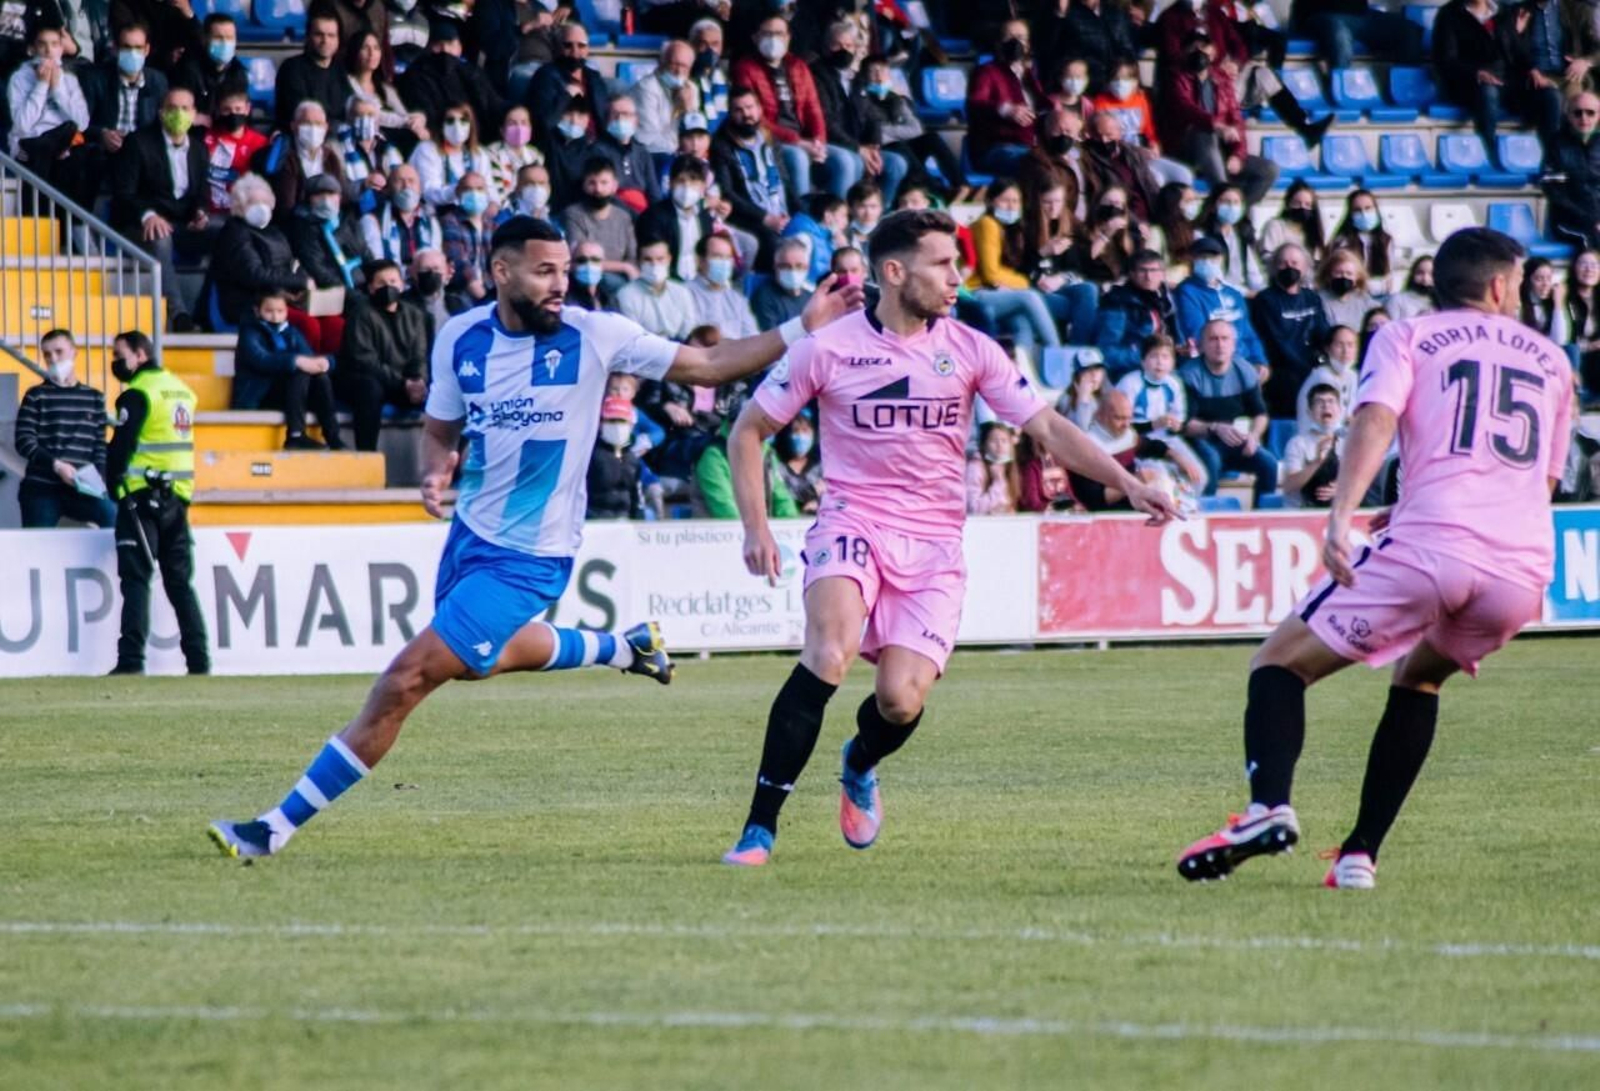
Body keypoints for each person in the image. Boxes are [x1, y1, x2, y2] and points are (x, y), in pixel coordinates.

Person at [206, 215, 866, 858]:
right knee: (477, 660)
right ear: (501, 271)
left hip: (532, 556)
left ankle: (273, 827)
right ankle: (621, 645)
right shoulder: (459, 338)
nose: (561, 284)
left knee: (405, 679)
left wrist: (798, 327)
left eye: (567, 271)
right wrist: (437, 469)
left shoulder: (597, 333)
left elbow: (711, 363)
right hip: (469, 539)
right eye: (546, 271)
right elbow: (440, 426)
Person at [719, 208, 1179, 867]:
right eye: (943, 264)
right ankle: (759, 828)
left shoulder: (971, 348)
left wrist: (1128, 482)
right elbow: (748, 430)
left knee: (900, 700)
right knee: (828, 651)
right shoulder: (827, 348)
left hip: (934, 546)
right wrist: (756, 526)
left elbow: (1047, 429)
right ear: (894, 271)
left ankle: (860, 760)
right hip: (852, 522)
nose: (958, 277)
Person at [1177, 226, 1571, 890]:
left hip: (1434, 545)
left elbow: (1377, 418)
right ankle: (1359, 854)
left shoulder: (1407, 336)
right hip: (1522, 569)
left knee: (1277, 663)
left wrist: (1342, 516)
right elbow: (1544, 480)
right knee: (1419, 679)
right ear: (1502, 285)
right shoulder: (1553, 359)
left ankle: (1267, 807)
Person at [105, 330, 209, 677]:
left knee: (136, 579)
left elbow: (120, 449)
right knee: (180, 582)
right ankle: (199, 661)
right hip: (177, 498)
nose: (115, 361)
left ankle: (131, 660)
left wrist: (113, 486)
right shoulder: (180, 390)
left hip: (140, 496)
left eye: (120, 354)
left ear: (138, 354)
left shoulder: (138, 394)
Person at [731, 15, 861, 203]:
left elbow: (813, 108)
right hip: (771, 139)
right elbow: (754, 118)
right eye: (767, 33)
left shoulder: (798, 65)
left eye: (779, 33)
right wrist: (797, 141)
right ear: (756, 38)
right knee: (798, 157)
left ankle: (836, 220)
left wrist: (819, 142)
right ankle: (803, 219)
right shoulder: (745, 68)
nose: (773, 38)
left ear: (788, 37)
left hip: (803, 139)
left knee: (848, 161)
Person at [111, 85, 209, 332]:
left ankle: (207, 312)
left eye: (185, 108)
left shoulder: (199, 148)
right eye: (172, 108)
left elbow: (199, 193)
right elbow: (124, 194)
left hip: (183, 223)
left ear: (194, 113)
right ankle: (179, 315)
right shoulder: (138, 142)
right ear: (161, 112)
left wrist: (200, 212)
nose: (179, 114)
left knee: (230, 232)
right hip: (139, 225)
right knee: (160, 237)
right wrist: (149, 215)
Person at [1157, 26, 1279, 205]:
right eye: (1193, 48)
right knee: (1204, 133)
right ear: (1184, 52)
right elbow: (1186, 109)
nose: (1199, 52)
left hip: (1219, 153)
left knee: (1268, 169)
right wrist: (1216, 126)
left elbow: (1236, 119)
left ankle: (1233, 214)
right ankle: (1222, 195)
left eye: (1203, 47)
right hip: (1184, 150)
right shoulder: (1174, 78)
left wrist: (1237, 153)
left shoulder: (1222, 79)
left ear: (1213, 52)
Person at [13, 329, 115, 528]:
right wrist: (57, 465)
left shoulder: (94, 397)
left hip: (84, 487)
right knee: (37, 548)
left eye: (59, 351)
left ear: (74, 352)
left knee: (113, 517)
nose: (53, 358)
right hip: (42, 488)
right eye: (47, 354)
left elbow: (99, 446)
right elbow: (24, 440)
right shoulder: (36, 395)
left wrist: (99, 480)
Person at [1179, 318, 1279, 501]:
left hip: (1231, 440)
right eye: (1213, 339)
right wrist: (1214, 427)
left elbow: (1260, 414)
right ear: (1201, 345)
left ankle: (1262, 515)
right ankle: (1206, 515)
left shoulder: (1245, 371)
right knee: (1211, 458)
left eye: (1225, 339)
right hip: (1197, 440)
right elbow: (1184, 425)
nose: (1220, 345)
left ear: (1234, 345)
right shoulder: (1189, 374)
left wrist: (1254, 436)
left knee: (1269, 463)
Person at [807, 21, 906, 204]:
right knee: (850, 162)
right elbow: (826, 121)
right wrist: (858, 149)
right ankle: (840, 217)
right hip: (831, 145)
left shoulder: (857, 78)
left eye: (849, 45)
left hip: (860, 147)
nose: (844, 50)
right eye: (838, 45)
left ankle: (877, 217)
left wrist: (874, 146)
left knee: (896, 164)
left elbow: (871, 115)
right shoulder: (816, 75)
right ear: (827, 47)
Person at [232, 289, 344, 450]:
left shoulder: (291, 332)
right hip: (259, 395)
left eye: (280, 311)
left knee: (320, 377)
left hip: (290, 394)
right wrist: (296, 361)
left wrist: (325, 363)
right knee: (300, 372)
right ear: (257, 310)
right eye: (269, 311)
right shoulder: (249, 332)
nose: (275, 316)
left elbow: (309, 358)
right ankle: (295, 436)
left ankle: (333, 436)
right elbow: (261, 360)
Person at [857, 52, 968, 201]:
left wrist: (886, 128)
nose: (879, 76)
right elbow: (873, 133)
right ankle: (934, 192)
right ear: (864, 77)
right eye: (873, 72)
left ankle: (960, 185)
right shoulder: (861, 101)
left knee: (931, 138)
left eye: (883, 71)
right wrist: (895, 130)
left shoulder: (899, 100)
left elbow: (916, 130)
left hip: (903, 145)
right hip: (881, 149)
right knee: (899, 146)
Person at [710, 86, 790, 270]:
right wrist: (765, 218)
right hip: (750, 216)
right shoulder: (722, 145)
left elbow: (785, 181)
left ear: (759, 109)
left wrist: (801, 215)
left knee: (810, 231)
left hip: (781, 211)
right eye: (739, 110)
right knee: (771, 242)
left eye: (750, 107)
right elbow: (728, 193)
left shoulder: (769, 137)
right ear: (730, 114)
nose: (746, 114)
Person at [6, 24, 91, 192]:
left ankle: (73, 217)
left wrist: (57, 89)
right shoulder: (19, 79)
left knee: (88, 155)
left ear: (61, 49)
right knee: (42, 149)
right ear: (32, 49)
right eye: (42, 44)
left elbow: (82, 123)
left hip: (63, 149)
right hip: (30, 148)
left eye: (54, 44)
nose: (48, 50)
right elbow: (22, 125)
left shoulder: (69, 80)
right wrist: (41, 85)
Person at [1252, 242, 1331, 421]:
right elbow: (1275, 341)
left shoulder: (1311, 298)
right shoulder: (1265, 300)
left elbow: (1322, 332)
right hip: (1281, 372)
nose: (1289, 267)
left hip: (1311, 368)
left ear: (1304, 267)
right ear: (1274, 267)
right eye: (1283, 263)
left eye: (1295, 263)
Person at [1498, 0, 1591, 145]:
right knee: (1552, 98)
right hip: (1534, 77)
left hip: (1567, 74)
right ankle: (1552, 157)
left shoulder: (1574, 9)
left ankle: (1580, 157)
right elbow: (1506, 50)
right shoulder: (1518, 10)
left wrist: (1585, 61)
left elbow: (1596, 48)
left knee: (1579, 105)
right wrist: (1530, 68)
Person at [965, 19, 1048, 177]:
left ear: (1028, 44)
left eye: (1020, 37)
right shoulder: (986, 72)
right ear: (999, 43)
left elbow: (1044, 108)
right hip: (996, 147)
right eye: (1009, 36)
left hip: (1031, 146)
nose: (1015, 41)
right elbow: (975, 105)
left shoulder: (1031, 76)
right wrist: (1005, 109)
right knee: (1036, 163)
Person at [1174, 236, 1269, 370]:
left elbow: (1249, 333)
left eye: (1213, 257)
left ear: (1221, 259)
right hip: (1214, 366)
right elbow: (1198, 333)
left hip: (1245, 363)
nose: (1208, 262)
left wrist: (1260, 361)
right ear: (1192, 260)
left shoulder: (1234, 294)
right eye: (1202, 257)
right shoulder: (1186, 292)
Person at [1432, 0, 1513, 157]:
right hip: (1469, 84)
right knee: (1488, 93)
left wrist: (1533, 70)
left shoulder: (1503, 12)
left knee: (1549, 95)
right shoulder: (1448, 14)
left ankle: (1551, 159)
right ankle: (1488, 154)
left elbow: (1516, 51)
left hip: (1505, 80)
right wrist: (1477, 73)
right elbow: (1446, 60)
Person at [397, 19, 503, 136]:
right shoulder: (416, 76)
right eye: (439, 45)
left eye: (450, 44)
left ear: (459, 48)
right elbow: (425, 112)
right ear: (429, 48)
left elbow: (493, 102)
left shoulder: (473, 73)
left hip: (479, 140)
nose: (445, 50)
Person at [81, 21, 167, 162]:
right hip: (105, 155)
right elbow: (80, 123)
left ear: (147, 50)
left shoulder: (158, 81)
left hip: (143, 157)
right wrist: (101, 134)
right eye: (126, 47)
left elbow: (160, 125)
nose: (133, 53)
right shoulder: (94, 79)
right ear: (116, 49)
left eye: (138, 48)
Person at [256, 99, 346, 225]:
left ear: (326, 127)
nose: (313, 129)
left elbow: (340, 195)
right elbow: (285, 206)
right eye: (307, 123)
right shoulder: (285, 158)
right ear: (294, 126)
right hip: (297, 226)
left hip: (329, 222)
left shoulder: (331, 157)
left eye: (318, 124)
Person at [1095, 248, 1179, 379]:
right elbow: (1106, 352)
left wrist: (1179, 349)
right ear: (1132, 274)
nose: (1148, 277)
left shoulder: (1165, 300)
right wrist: (1145, 357)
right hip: (1130, 372)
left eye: (1153, 271)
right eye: (1142, 271)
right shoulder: (1118, 302)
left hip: (1162, 366)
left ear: (1162, 274)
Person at [525, 19, 610, 146]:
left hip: (596, 147)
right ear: (558, 48)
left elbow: (604, 120)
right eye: (568, 45)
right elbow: (544, 124)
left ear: (588, 49)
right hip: (562, 148)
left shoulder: (594, 78)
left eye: (581, 45)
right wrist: (566, 96)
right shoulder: (545, 76)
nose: (575, 52)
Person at [559, 157, 639, 292]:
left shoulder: (623, 217)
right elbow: (583, 261)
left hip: (621, 279)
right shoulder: (573, 214)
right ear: (584, 185)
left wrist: (628, 267)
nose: (598, 189)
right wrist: (625, 267)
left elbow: (632, 258)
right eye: (592, 183)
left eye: (604, 183)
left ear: (614, 186)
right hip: (586, 279)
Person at [636, 154, 717, 281]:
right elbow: (654, 259)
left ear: (702, 186)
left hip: (699, 280)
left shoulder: (704, 216)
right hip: (668, 281)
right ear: (671, 183)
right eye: (681, 181)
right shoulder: (654, 217)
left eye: (693, 181)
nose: (687, 187)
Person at [1289, 0, 1424, 72]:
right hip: (1320, 13)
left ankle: (1407, 87)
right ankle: (1340, 86)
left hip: (1359, 15)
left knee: (1408, 30)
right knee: (1339, 31)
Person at [287, 172, 366, 294]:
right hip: (334, 291)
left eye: (331, 194)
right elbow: (317, 268)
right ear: (309, 199)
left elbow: (365, 253)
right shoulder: (303, 227)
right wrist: (347, 291)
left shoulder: (348, 221)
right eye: (319, 195)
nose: (326, 199)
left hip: (362, 283)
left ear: (339, 197)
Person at [1544, 91, 1600, 251]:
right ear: (1568, 115)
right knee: (1591, 237)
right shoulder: (1556, 144)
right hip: (1568, 220)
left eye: (1590, 113)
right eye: (1578, 113)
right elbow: (1554, 191)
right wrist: (1591, 219)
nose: (1584, 118)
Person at [411, 100, 493, 210]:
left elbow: (490, 190)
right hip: (435, 215)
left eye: (463, 120)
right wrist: (457, 190)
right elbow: (429, 193)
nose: (457, 126)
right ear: (441, 125)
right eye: (450, 121)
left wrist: (493, 205)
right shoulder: (426, 149)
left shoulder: (479, 154)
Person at [274, 12, 347, 132]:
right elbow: (303, 115)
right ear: (307, 37)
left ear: (338, 40)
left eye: (331, 35)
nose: (325, 40)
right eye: (319, 34)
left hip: (335, 135)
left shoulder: (340, 70)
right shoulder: (292, 68)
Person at [202, 89, 268, 219]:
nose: (233, 114)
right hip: (207, 210)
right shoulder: (206, 137)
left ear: (247, 109)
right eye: (227, 110)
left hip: (241, 211)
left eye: (238, 109)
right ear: (219, 110)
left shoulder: (260, 142)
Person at [359, 162, 439, 268]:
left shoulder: (430, 222)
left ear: (420, 189)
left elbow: (435, 259)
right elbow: (377, 265)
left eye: (411, 181)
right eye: (400, 181)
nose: (406, 186)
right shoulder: (372, 220)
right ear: (388, 189)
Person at [1279, 382, 1345, 508]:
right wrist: (1317, 462)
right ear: (1309, 412)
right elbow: (1288, 486)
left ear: (1340, 409)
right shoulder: (1297, 443)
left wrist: (1343, 489)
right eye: (1319, 402)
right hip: (1301, 513)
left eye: (1331, 401)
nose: (1326, 406)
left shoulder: (1349, 442)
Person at [171, 13, 249, 121]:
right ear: (205, 39)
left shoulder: (238, 73)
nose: (225, 43)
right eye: (218, 38)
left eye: (230, 38)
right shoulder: (189, 70)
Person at [616, 237, 696, 340]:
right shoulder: (626, 295)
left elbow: (688, 332)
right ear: (639, 262)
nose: (654, 264)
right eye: (647, 259)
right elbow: (633, 338)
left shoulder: (682, 292)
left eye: (660, 259)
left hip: (681, 350)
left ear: (669, 259)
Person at [632, 38, 700, 155]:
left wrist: (688, 109)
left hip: (681, 154)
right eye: (674, 64)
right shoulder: (646, 88)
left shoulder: (692, 88)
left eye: (684, 67)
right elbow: (649, 139)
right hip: (651, 155)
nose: (679, 71)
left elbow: (695, 132)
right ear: (661, 63)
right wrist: (679, 149)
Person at [339, 93, 403, 214]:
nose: (365, 120)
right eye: (359, 115)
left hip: (389, 209)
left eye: (370, 115)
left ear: (378, 120)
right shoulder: (338, 147)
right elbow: (341, 187)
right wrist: (364, 185)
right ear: (349, 119)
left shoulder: (388, 148)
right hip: (354, 212)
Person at [594, 96, 661, 211]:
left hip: (644, 214)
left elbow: (654, 193)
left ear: (636, 120)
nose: (620, 119)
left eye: (626, 114)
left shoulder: (642, 152)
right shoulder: (597, 151)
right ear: (607, 120)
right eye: (615, 115)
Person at [1329, 190, 1399, 297]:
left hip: (1381, 296)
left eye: (1368, 208)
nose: (1364, 214)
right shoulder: (1342, 242)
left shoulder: (1387, 240)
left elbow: (1389, 279)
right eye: (1357, 210)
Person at [688, 232, 758, 338]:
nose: (724, 263)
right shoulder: (685, 294)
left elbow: (752, 337)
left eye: (728, 258)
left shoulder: (737, 299)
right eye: (717, 256)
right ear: (700, 261)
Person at [586, 396, 645, 520]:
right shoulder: (589, 456)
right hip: (594, 520)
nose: (617, 426)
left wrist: (639, 520)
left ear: (631, 425)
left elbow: (637, 495)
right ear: (601, 423)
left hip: (625, 520)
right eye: (611, 421)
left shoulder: (633, 459)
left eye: (622, 421)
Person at [1295, 324, 1362, 433]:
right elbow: (1331, 423)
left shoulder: (1353, 376)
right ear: (1327, 348)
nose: (1345, 351)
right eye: (1339, 345)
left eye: (1350, 345)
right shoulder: (1322, 377)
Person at [438, 171, 494, 302]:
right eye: (467, 189)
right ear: (458, 193)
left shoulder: (492, 226)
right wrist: (484, 299)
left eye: (479, 189)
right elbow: (458, 260)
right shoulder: (450, 221)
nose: (474, 194)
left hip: (491, 289)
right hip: (460, 292)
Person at [751, 237, 813, 331]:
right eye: (785, 266)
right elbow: (770, 340)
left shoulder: (811, 298)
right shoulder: (764, 298)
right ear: (775, 267)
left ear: (807, 268)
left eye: (799, 266)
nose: (793, 271)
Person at [1258, 181, 1328, 264]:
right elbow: (1266, 255)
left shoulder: (1312, 232)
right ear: (1287, 205)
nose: (1302, 207)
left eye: (1307, 205)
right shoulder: (1275, 226)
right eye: (1297, 203)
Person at [402, 246, 469, 331]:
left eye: (436, 269)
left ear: (446, 272)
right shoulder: (402, 304)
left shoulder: (458, 304)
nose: (431, 273)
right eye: (425, 269)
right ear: (414, 273)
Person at [1318, 247, 1383, 330]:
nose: (1344, 277)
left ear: (1357, 278)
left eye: (1349, 274)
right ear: (1329, 275)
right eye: (1338, 273)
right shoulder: (1319, 300)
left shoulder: (1365, 301)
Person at [966, 420, 1020, 514]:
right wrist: (998, 482)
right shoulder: (975, 468)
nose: (1000, 446)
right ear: (985, 446)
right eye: (993, 441)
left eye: (1004, 441)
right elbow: (973, 509)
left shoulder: (1008, 468)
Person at [1566, 249, 1600, 393]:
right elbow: (1564, 340)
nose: (1588, 269)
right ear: (1574, 268)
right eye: (1583, 264)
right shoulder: (1565, 297)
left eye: (1594, 265)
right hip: (1572, 357)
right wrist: (1590, 346)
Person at [775, 414, 822, 514]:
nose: (801, 436)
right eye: (796, 431)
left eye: (805, 431)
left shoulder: (821, 469)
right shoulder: (778, 469)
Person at [1521, 255, 1573, 344]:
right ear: (1528, 281)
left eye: (1549, 278)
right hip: (1527, 352)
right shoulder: (1519, 304)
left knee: (1571, 349)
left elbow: (1559, 340)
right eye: (1539, 279)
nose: (1545, 284)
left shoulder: (1554, 301)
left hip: (1548, 351)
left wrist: (1558, 304)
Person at [1057, 351, 1107, 429]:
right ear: (1077, 376)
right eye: (1088, 370)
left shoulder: (1103, 398)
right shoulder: (1066, 400)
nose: (1094, 374)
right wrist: (1083, 399)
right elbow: (1082, 429)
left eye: (1097, 369)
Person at [1386, 255, 1437, 321]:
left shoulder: (1441, 302)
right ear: (1412, 275)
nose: (1425, 279)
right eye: (1420, 273)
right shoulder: (1397, 301)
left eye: (1431, 274)